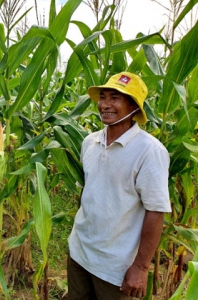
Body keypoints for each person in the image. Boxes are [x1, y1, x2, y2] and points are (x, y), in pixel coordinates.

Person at [67, 72, 171, 300]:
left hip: (115, 267)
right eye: (102, 97)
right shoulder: (90, 142)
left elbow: (156, 211)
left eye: (115, 98)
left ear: (134, 106)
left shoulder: (149, 151)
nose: (105, 105)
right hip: (79, 252)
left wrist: (141, 268)